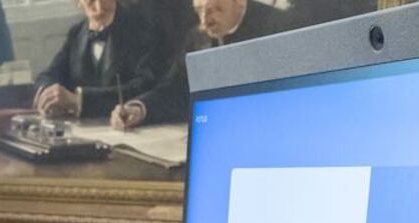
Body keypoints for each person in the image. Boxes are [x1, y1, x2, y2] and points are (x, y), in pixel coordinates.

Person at [111, 0, 292, 128]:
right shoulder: (197, 36)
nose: (205, 20)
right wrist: (140, 108)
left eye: (214, 9)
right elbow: (175, 87)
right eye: (199, 10)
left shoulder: (277, 28)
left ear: (240, 3)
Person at [33, 0, 172, 121]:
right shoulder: (76, 33)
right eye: (91, 0)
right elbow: (49, 75)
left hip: (129, 129)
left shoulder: (144, 30)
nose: (99, 8)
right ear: (78, 2)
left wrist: (79, 101)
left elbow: (144, 87)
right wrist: (48, 94)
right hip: (84, 131)